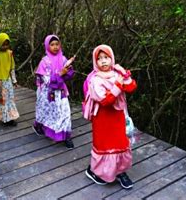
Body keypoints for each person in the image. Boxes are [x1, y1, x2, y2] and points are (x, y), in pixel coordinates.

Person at [83, 44, 137, 189]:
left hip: (118, 116)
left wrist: (124, 75)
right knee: (105, 146)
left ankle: (120, 172)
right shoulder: (95, 79)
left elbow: (131, 87)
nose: (103, 61)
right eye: (99, 59)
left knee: (120, 144)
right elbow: (105, 100)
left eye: (106, 57)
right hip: (102, 119)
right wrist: (118, 85)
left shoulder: (117, 74)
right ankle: (97, 172)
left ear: (111, 58)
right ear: (95, 62)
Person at [34, 35, 75, 149]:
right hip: (48, 94)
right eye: (52, 45)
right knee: (47, 113)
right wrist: (60, 74)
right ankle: (40, 127)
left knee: (65, 113)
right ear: (47, 46)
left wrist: (68, 69)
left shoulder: (63, 59)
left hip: (61, 92)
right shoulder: (44, 61)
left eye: (57, 44)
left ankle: (66, 136)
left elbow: (69, 74)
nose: (55, 47)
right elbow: (46, 81)